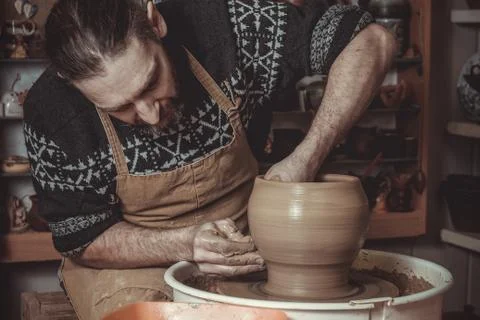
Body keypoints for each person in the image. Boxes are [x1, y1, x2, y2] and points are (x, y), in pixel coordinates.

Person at [23, 0, 395, 319]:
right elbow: (83, 238)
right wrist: (185, 244)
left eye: (151, 81)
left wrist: (307, 156)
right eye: (121, 107)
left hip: (244, 250)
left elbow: (372, 41)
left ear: (155, 23)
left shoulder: (230, 28)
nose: (150, 115)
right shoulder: (53, 110)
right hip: (132, 265)